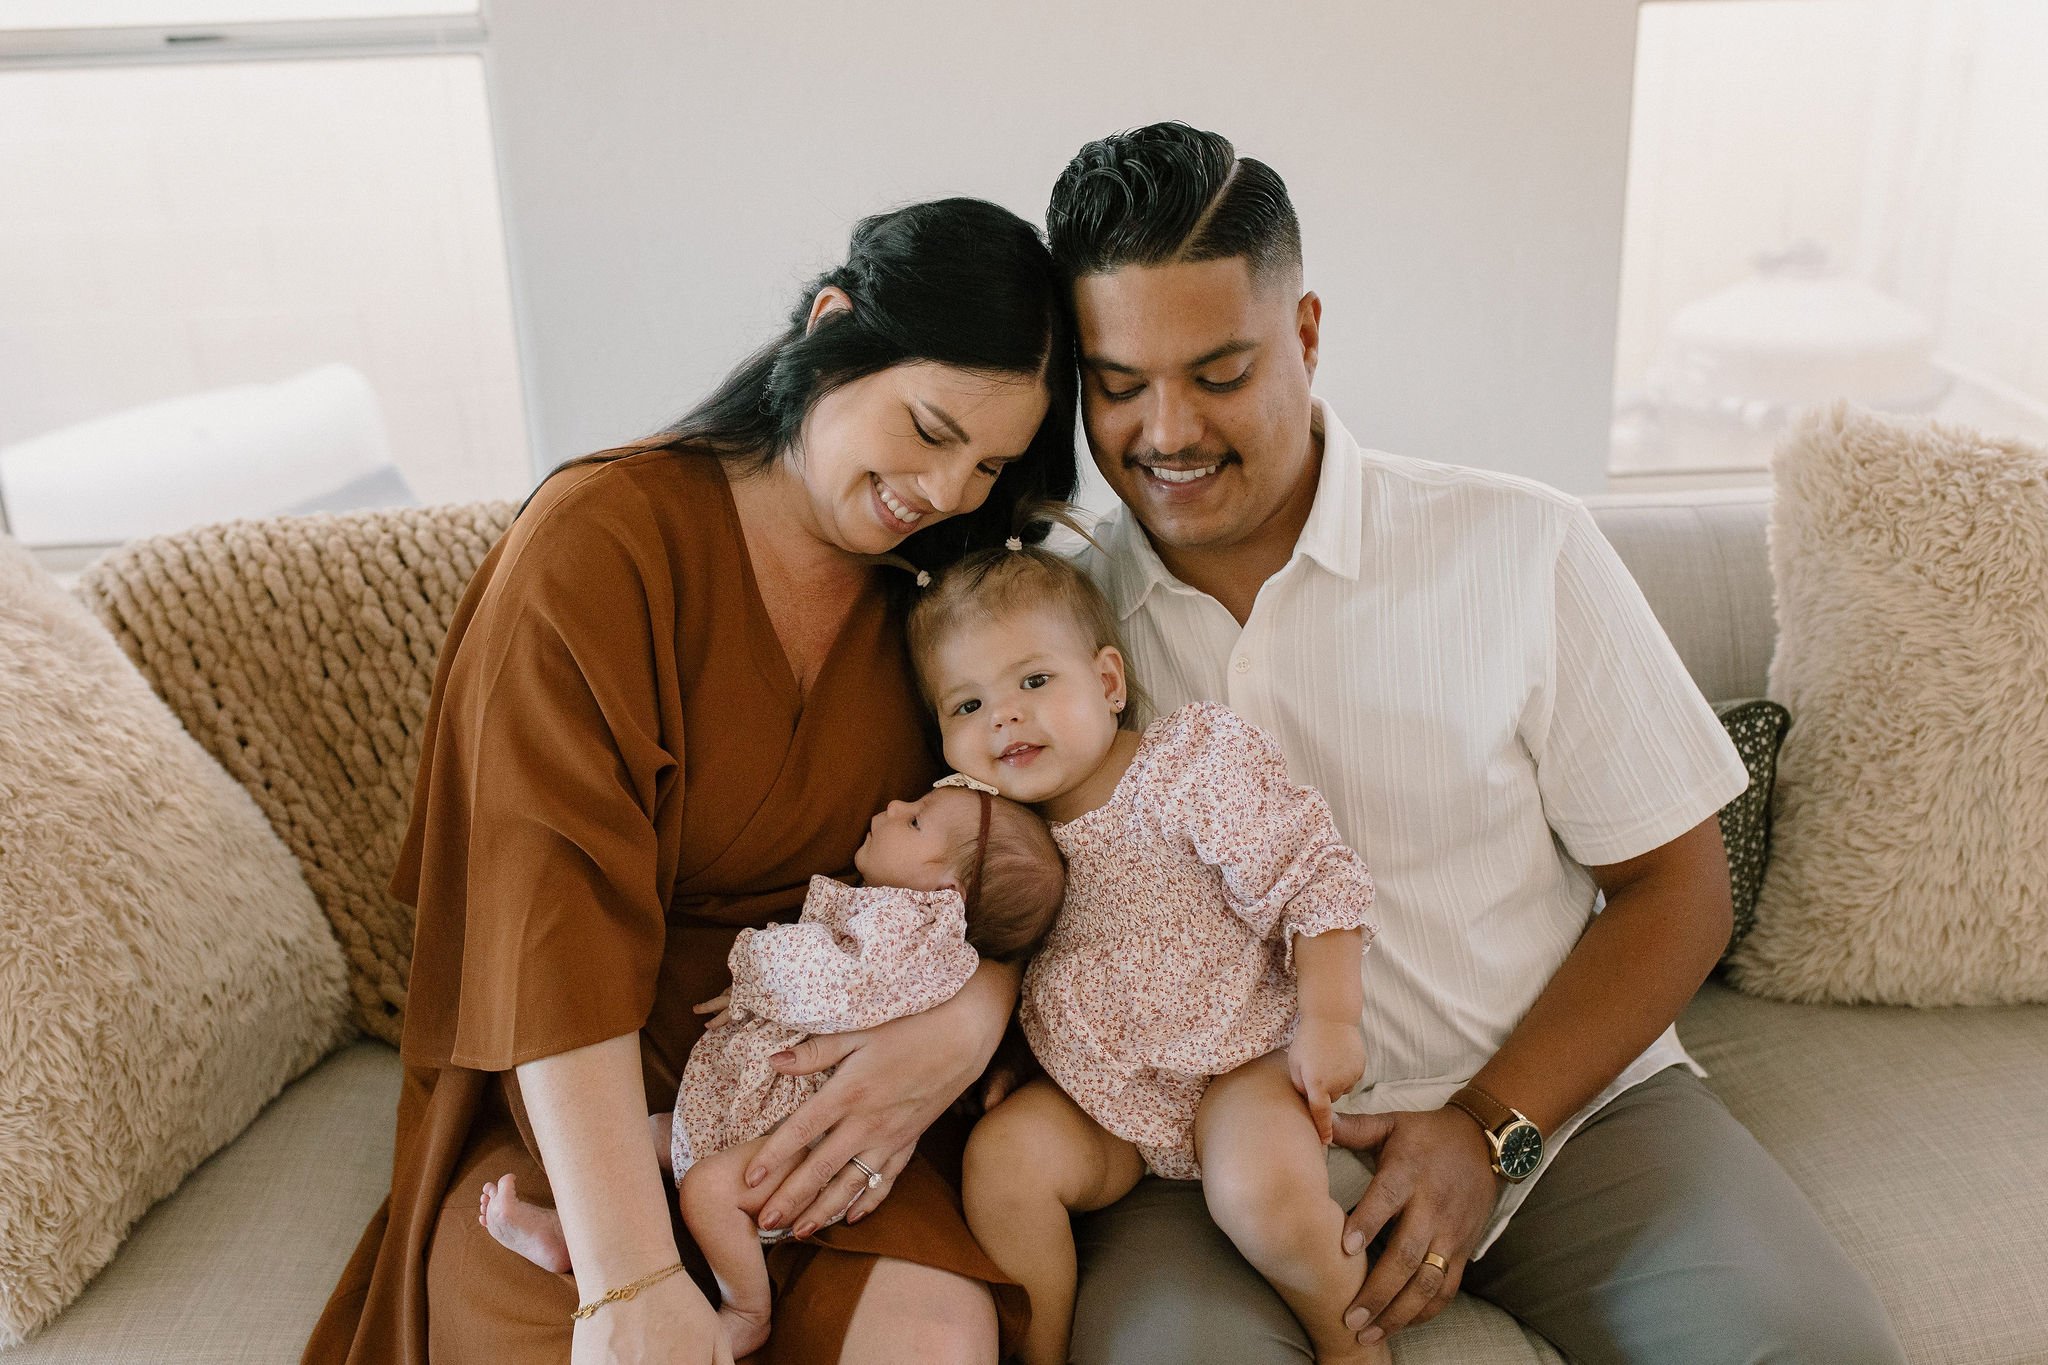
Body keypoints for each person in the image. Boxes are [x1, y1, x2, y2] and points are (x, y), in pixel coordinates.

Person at [1045, 122, 1908, 1364]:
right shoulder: (1051, 627)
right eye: (1116, 385)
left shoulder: (1517, 545)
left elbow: (1676, 889)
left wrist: (1486, 1126)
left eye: (1219, 372)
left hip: (1567, 1123)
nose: (1164, 432)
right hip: (1209, 1159)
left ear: (1303, 336)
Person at [302, 196, 1079, 1365]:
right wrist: (626, 1282)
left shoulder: (948, 596)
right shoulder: (603, 541)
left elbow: (1029, 839)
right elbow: (542, 921)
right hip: (583, 1102)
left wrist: (971, 1017)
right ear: (831, 326)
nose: (948, 491)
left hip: (814, 1093)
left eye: (989, 465)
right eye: (925, 429)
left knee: (939, 1335)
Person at [904, 543, 1382, 1365]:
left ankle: (1350, 1340)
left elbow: (1310, 873)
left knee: (1258, 1191)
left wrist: (1332, 1014)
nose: (1004, 717)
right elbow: (925, 942)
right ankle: (1042, 1346)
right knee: (1003, 1162)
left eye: (1034, 681)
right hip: (1102, 1102)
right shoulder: (980, 833)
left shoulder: (1185, 768)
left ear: (1110, 683)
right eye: (967, 704)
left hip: (1238, 1061)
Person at [477, 781, 1064, 1360]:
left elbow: (834, 982)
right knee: (639, 1139)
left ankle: (746, 1310)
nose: (894, 804)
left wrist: (756, 963)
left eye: (914, 821)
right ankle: (581, 1237)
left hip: (796, 1132)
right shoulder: (911, 921)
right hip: (756, 1101)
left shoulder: (908, 930)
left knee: (708, 1188)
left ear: (946, 891)